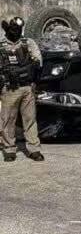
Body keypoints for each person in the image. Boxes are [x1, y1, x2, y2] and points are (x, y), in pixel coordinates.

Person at [0, 17, 44, 162]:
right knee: (8, 120)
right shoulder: (1, 45)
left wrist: (30, 71)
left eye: (18, 29)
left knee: (30, 120)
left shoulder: (28, 43)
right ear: (7, 29)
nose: (16, 32)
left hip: (27, 87)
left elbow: (38, 61)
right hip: (9, 88)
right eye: (13, 29)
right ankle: (9, 149)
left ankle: (34, 149)